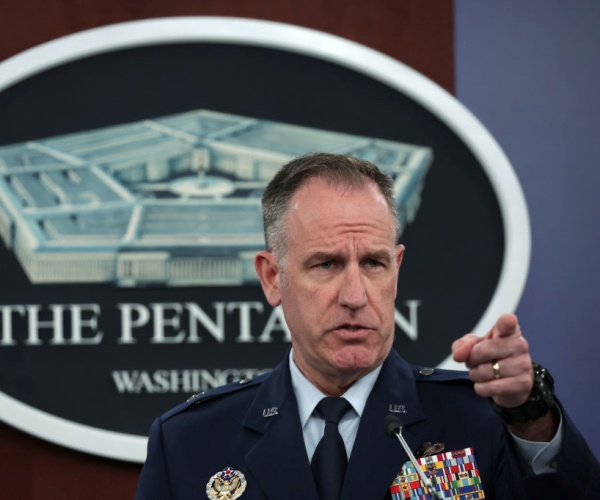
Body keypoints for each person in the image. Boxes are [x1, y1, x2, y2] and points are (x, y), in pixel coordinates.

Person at [134, 153, 599, 499]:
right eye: (326, 265)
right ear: (273, 277)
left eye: (374, 263)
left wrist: (530, 414)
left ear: (396, 268)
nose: (355, 296)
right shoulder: (189, 442)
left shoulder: (480, 419)